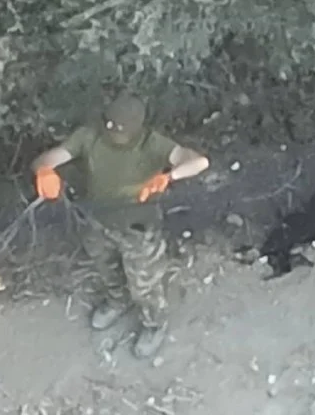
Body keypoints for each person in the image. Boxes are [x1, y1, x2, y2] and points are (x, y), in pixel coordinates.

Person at [30, 94, 209, 359]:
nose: (113, 133)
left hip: (138, 227)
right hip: (98, 221)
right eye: (110, 126)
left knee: (144, 284)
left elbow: (198, 162)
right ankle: (117, 300)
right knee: (106, 267)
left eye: (120, 130)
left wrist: (169, 176)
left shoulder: (153, 143)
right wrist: (44, 171)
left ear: (136, 129)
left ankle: (154, 323)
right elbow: (46, 159)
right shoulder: (88, 136)